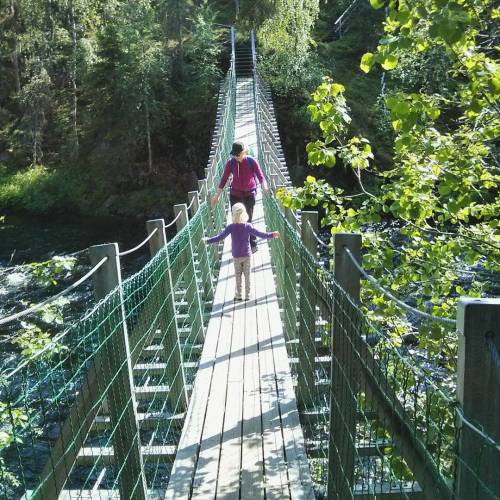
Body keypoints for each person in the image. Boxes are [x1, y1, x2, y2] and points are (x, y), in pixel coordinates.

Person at [205, 203, 279, 301]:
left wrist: (208, 240)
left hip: (236, 255)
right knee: (247, 276)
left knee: (238, 275)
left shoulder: (231, 227)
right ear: (244, 214)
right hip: (246, 255)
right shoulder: (248, 226)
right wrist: (271, 235)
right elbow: (260, 234)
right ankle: (248, 295)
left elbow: (220, 237)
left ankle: (239, 295)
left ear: (233, 214)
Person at [211, 141, 268, 253]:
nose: (236, 157)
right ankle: (239, 244)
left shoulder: (252, 161)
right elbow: (223, 179)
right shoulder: (230, 163)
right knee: (237, 220)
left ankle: (252, 243)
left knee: (248, 218)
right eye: (234, 155)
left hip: (249, 193)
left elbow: (260, 176)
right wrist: (217, 196)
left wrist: (264, 186)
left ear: (244, 152)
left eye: (238, 155)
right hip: (235, 194)